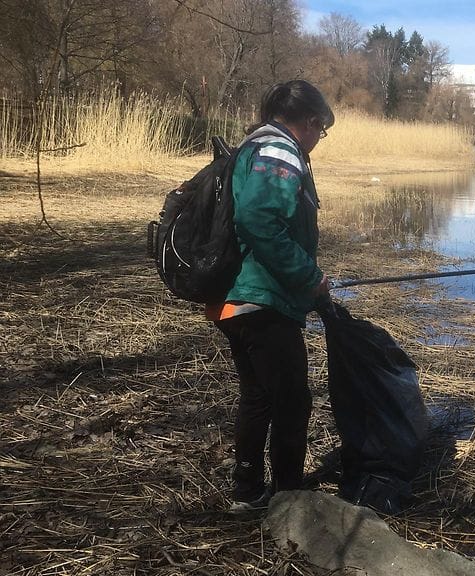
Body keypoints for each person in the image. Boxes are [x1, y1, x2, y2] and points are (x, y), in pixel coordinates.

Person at [206, 80, 334, 512]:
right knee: (293, 401)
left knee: (259, 395)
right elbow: (259, 220)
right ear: (311, 122)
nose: (319, 140)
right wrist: (307, 276)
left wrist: (307, 283)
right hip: (261, 301)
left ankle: (247, 493)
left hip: (235, 299)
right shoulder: (279, 150)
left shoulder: (253, 146)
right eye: (322, 129)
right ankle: (289, 500)